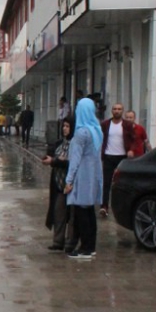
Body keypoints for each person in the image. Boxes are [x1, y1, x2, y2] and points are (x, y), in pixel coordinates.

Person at [64, 98, 103, 259]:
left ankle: (85, 248)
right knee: (89, 213)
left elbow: (75, 159)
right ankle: (90, 246)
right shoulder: (96, 130)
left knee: (81, 213)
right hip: (93, 175)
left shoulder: (81, 133)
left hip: (82, 176)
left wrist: (69, 180)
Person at [42, 117, 74, 251]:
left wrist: (56, 161)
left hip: (72, 185)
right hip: (59, 184)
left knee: (72, 216)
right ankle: (58, 241)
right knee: (58, 212)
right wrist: (50, 159)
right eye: (64, 126)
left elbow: (71, 163)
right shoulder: (59, 143)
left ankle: (70, 242)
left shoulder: (75, 144)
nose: (64, 129)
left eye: (67, 126)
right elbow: (52, 157)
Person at [99, 102, 136, 217]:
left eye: (119, 109)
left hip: (122, 157)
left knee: (122, 184)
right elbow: (101, 138)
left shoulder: (127, 125)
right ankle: (104, 206)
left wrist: (131, 150)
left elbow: (134, 139)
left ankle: (122, 208)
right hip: (109, 156)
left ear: (122, 111)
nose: (117, 111)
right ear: (112, 111)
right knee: (106, 183)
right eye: (115, 109)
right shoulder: (105, 124)